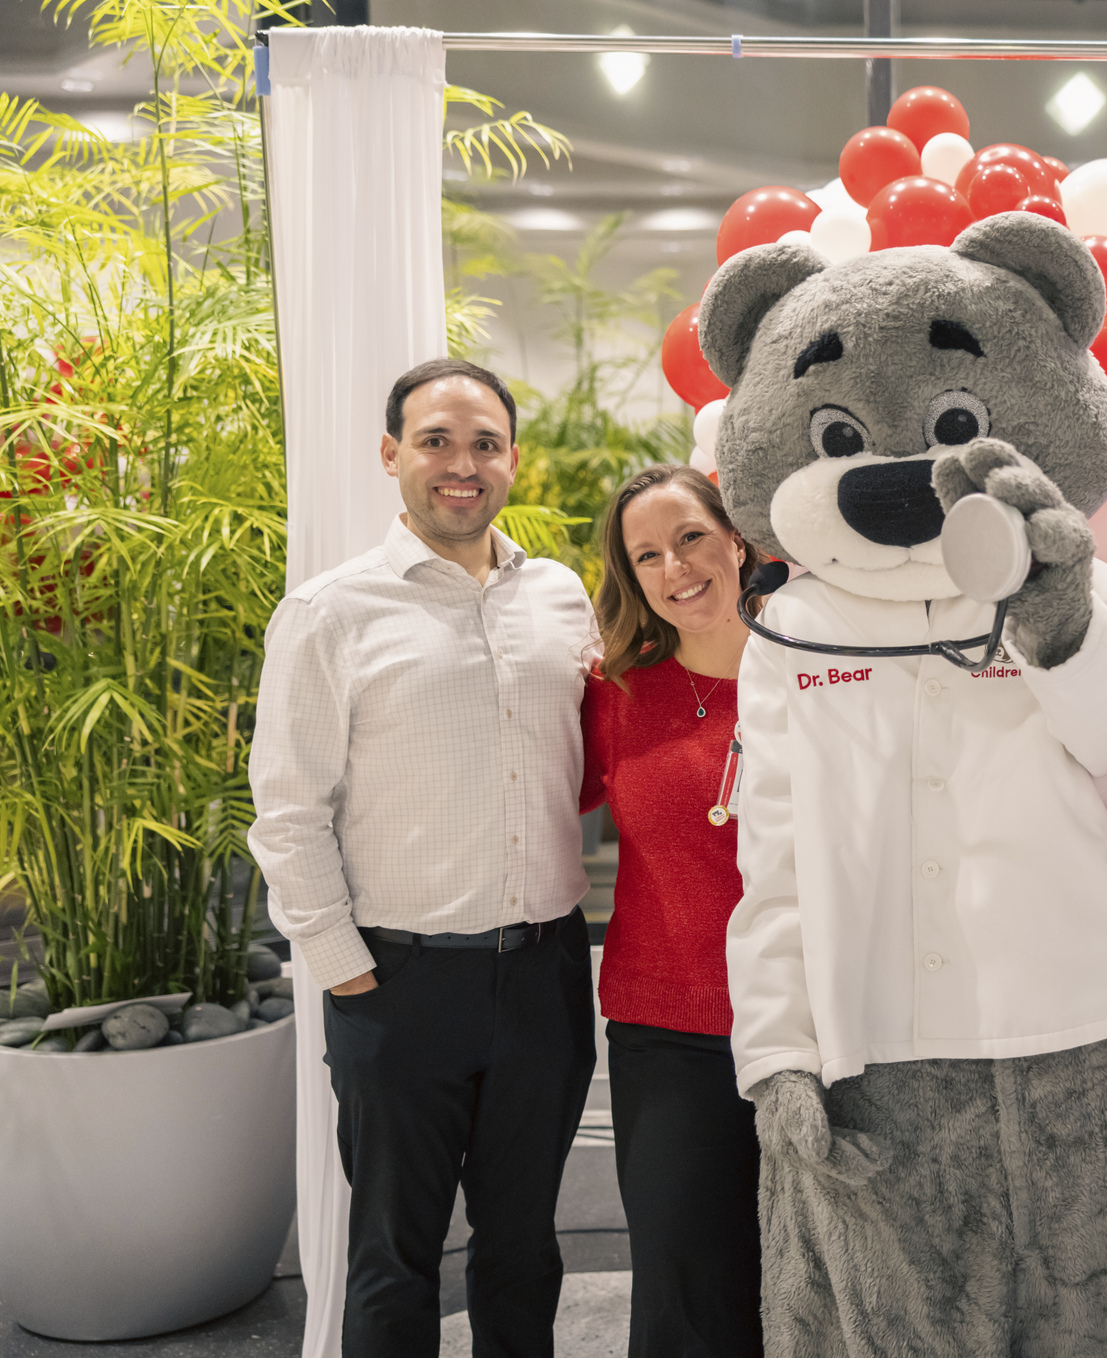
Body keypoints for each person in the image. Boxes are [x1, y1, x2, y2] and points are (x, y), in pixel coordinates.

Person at [250, 358, 599, 1358]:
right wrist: (345, 969)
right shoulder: (330, 613)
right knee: (393, 1255)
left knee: (526, 1244)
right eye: (437, 440)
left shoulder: (563, 597)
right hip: (395, 981)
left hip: (543, 972)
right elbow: (286, 807)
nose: (462, 464)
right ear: (391, 452)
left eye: (484, 443)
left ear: (512, 461)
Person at [579, 464, 763, 1356]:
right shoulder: (614, 695)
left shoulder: (821, 675)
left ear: (737, 538)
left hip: (817, 1029)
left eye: (690, 537)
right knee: (686, 1288)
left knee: (822, 1275)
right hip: (669, 1031)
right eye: (645, 555)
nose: (674, 567)